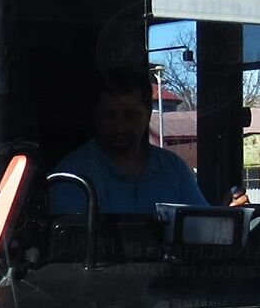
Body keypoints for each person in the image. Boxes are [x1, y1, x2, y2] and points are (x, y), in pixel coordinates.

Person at [51, 66, 208, 215]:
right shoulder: (73, 174)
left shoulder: (174, 169)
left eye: (130, 115)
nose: (120, 127)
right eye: (109, 115)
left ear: (148, 114)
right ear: (95, 115)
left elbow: (202, 225)